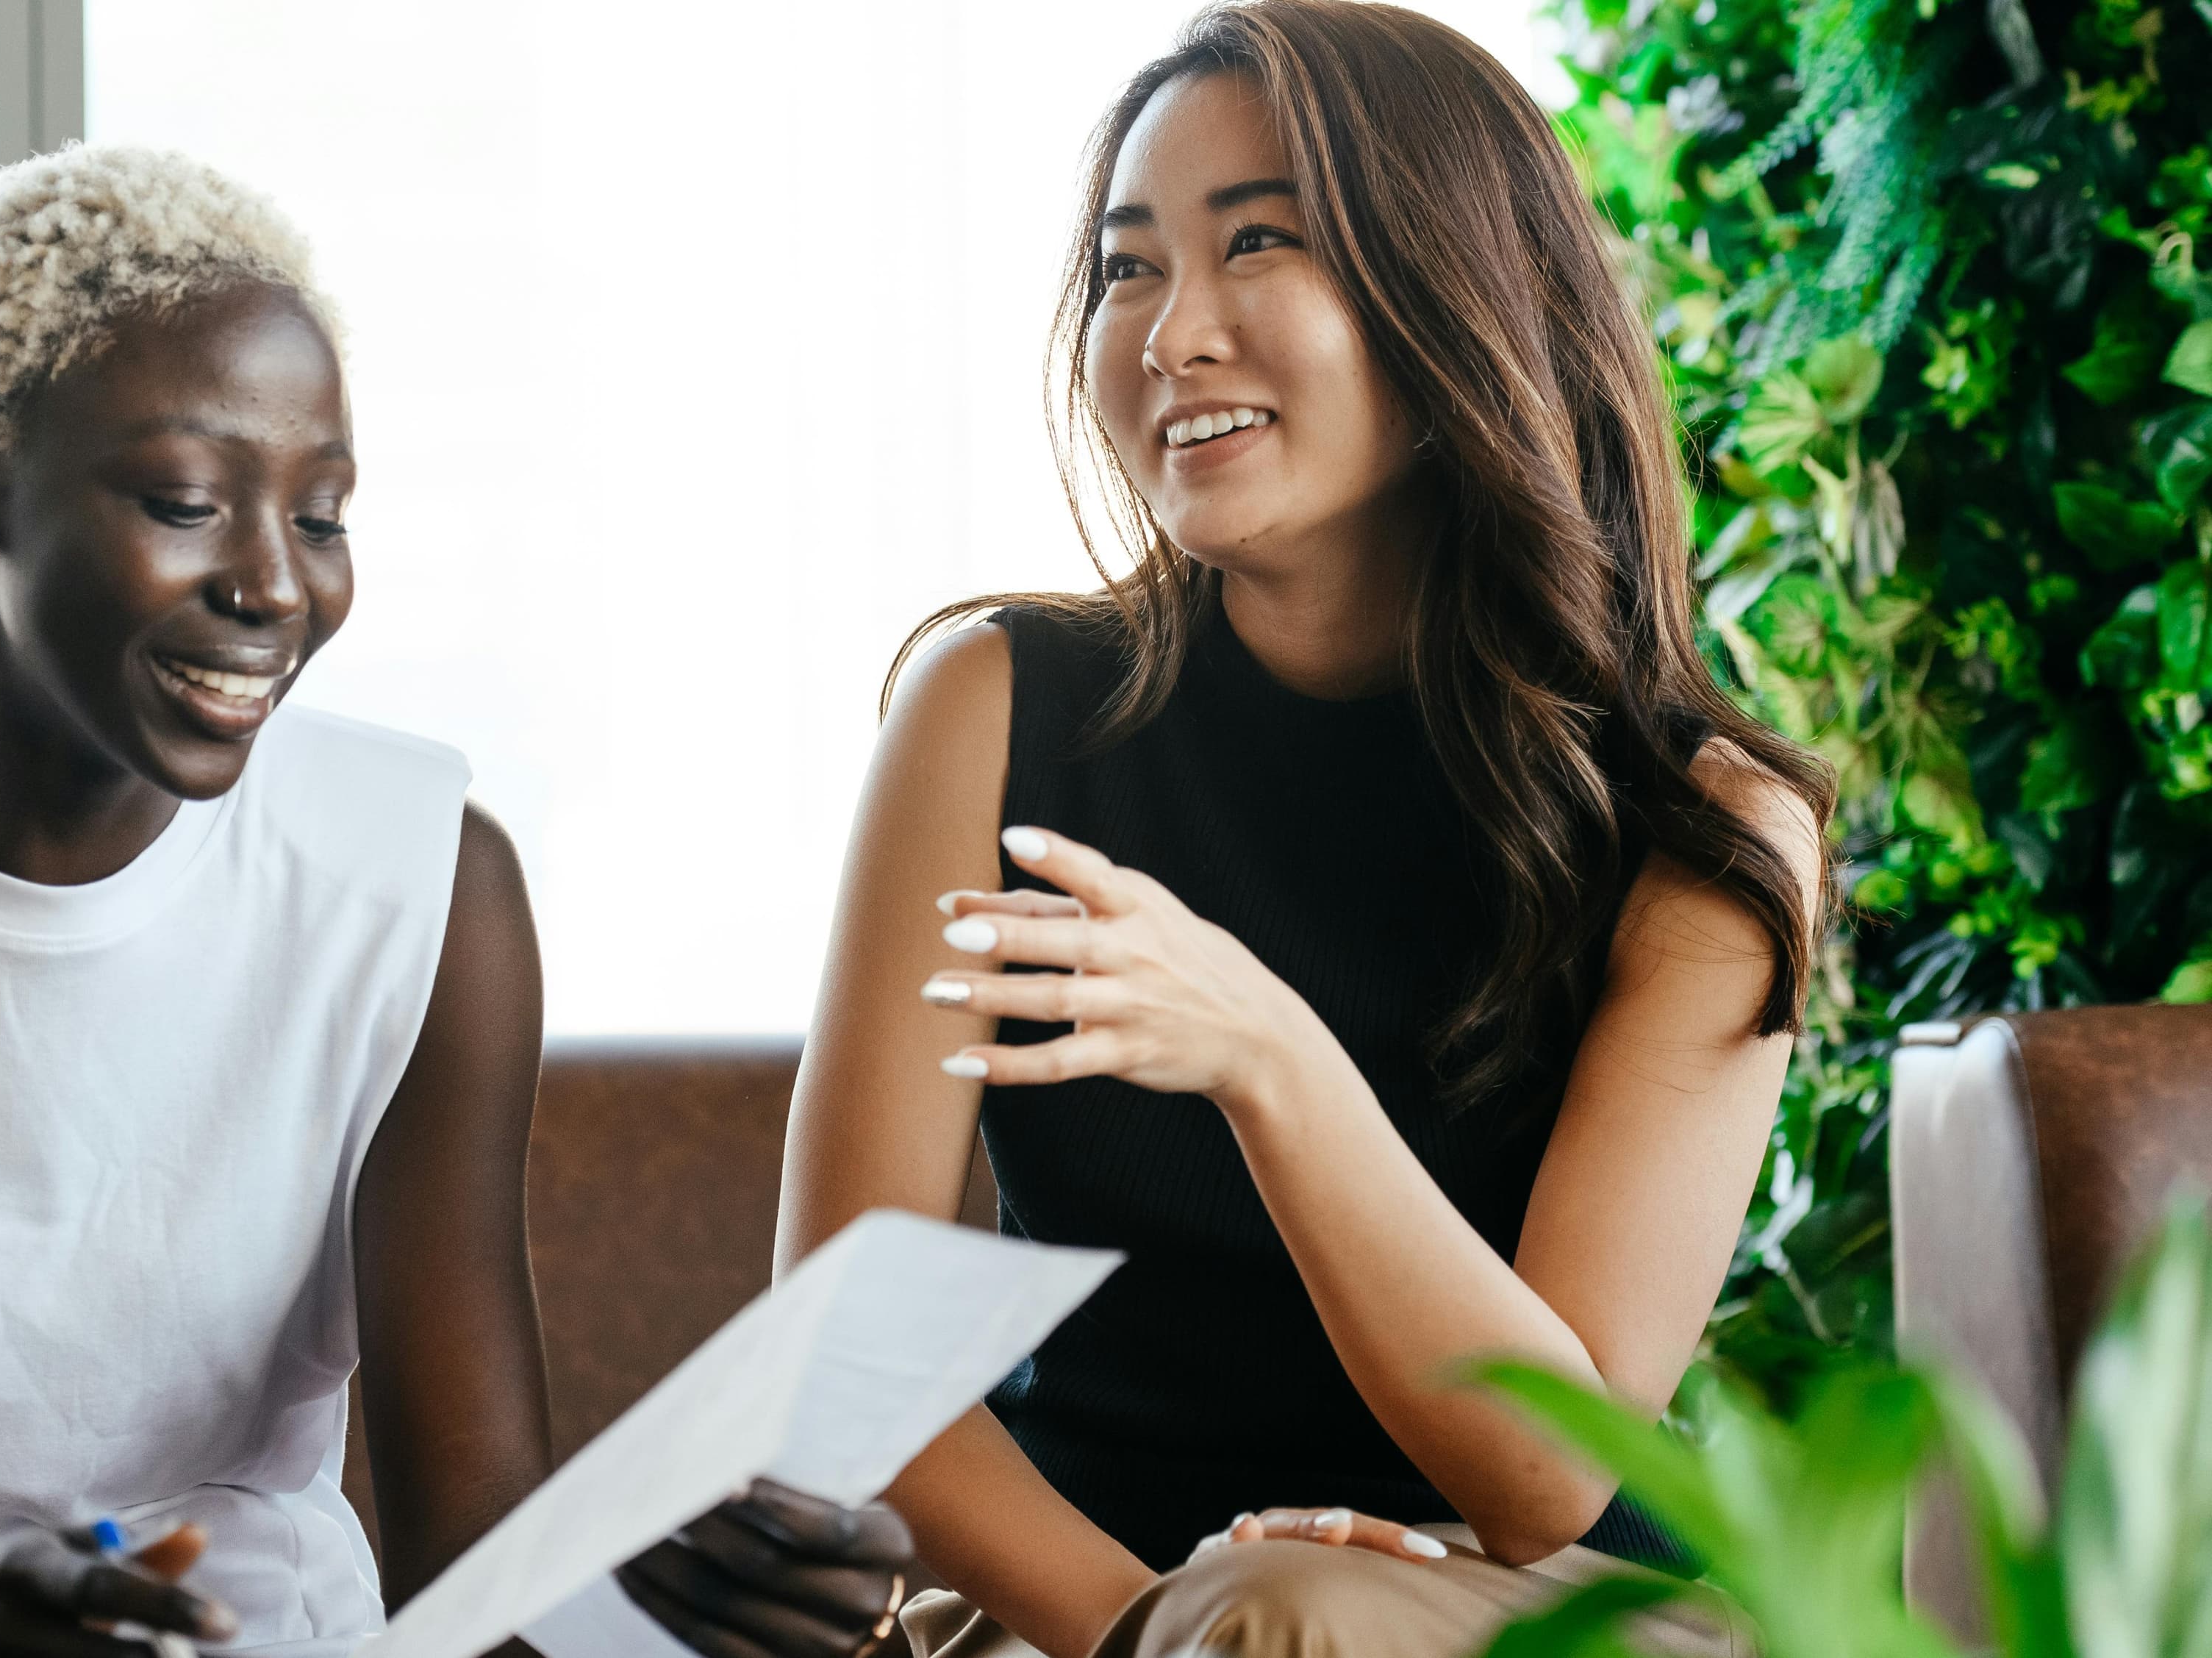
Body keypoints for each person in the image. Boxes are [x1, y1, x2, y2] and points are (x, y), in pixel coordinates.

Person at [0, 144, 912, 1658]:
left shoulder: (425, 881)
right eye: (186, 501)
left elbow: (475, 1562)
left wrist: (674, 1600)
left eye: (319, 517)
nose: (275, 588)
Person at [776, 4, 1828, 1655]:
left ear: (1457, 292)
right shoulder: (996, 711)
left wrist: (1269, 1057)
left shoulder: (1699, 832)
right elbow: (849, 1360)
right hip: (1095, 1611)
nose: (1171, 332)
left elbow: (1562, 1473)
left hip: (1528, 1607)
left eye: (1257, 241)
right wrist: (1172, 1624)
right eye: (1130, 267)